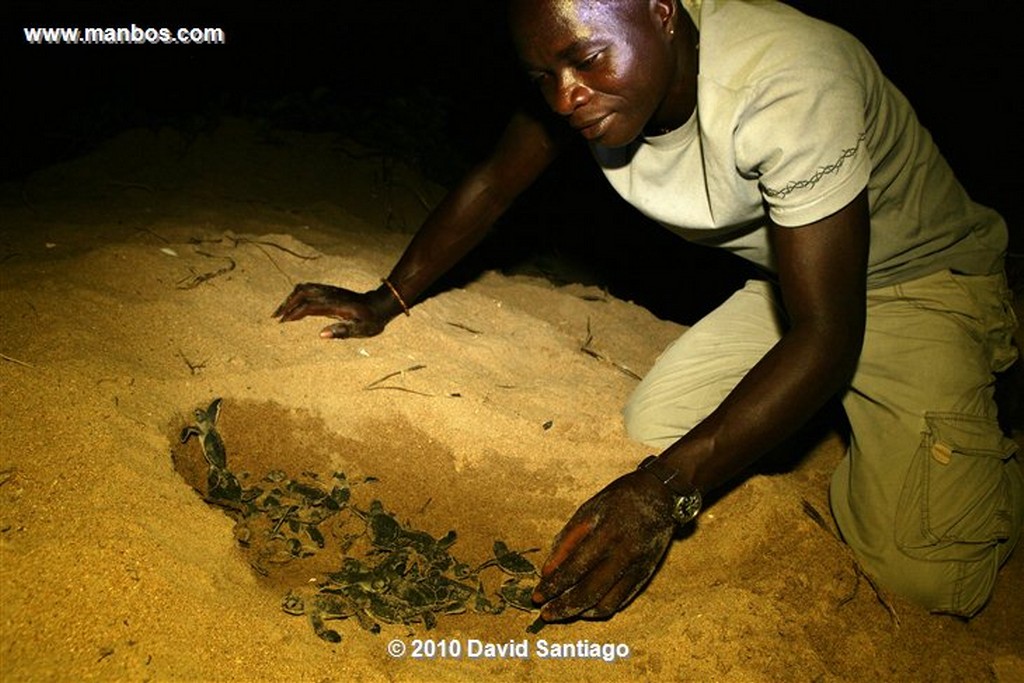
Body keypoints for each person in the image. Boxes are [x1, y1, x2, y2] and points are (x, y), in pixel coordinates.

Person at [274, 0, 1022, 621]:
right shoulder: (590, 71)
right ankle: (880, 447)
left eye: (587, 60)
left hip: (917, 283)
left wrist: (666, 493)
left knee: (927, 578)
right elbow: (496, 184)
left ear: (662, 11)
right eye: (545, 75)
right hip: (792, 282)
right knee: (655, 428)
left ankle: (978, 466)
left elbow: (829, 335)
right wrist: (388, 297)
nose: (566, 96)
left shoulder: (789, 82)